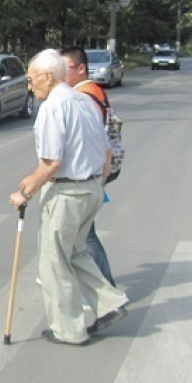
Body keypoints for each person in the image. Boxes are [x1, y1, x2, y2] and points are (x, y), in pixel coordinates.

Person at [9, 49, 128, 345]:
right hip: (91, 189)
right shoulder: (85, 100)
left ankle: (68, 330)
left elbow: (52, 162)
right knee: (74, 253)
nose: (29, 85)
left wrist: (25, 192)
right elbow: (107, 151)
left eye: (31, 79)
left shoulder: (53, 107)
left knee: (54, 262)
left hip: (67, 193)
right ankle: (110, 303)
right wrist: (96, 185)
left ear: (48, 77)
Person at [60, 46, 117, 287]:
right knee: (85, 234)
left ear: (81, 69)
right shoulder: (91, 91)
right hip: (94, 172)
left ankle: (106, 290)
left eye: (66, 69)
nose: (61, 75)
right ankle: (101, 289)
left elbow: (91, 140)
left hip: (86, 176)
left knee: (86, 236)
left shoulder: (84, 97)